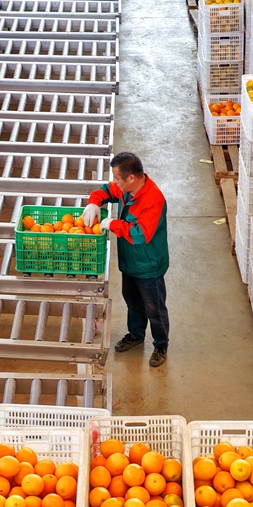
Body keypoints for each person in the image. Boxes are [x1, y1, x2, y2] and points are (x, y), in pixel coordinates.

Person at [83, 152, 170, 367]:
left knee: (154, 308)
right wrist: (94, 203)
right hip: (130, 262)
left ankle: (161, 344)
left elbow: (140, 234)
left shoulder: (153, 200)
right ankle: (136, 334)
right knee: (132, 301)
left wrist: (112, 224)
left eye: (117, 178)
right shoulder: (127, 190)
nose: (115, 182)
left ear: (131, 178)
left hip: (148, 266)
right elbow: (104, 190)